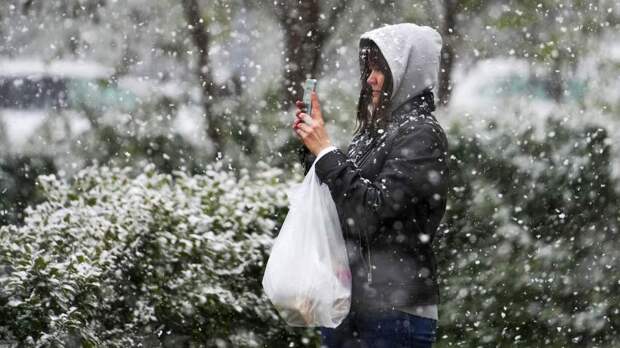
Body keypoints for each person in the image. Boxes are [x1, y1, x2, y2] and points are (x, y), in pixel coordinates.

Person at [292, 23, 448, 348]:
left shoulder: (421, 134)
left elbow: (371, 213)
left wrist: (326, 151)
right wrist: (313, 149)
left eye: (381, 68)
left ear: (409, 71)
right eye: (369, 68)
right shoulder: (373, 133)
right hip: (350, 305)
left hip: (394, 313)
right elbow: (340, 202)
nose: (371, 79)